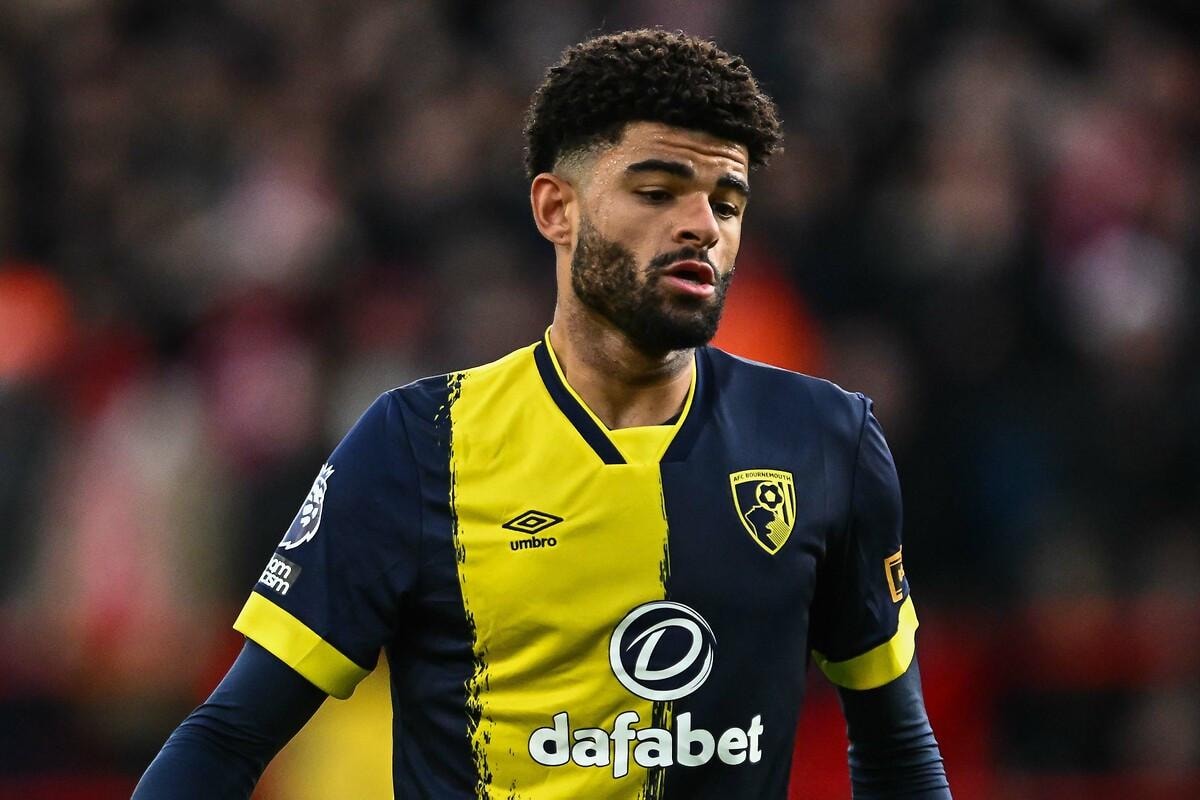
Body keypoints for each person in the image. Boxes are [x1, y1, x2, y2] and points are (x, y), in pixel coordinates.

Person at [133, 29, 951, 799]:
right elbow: (229, 735)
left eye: (727, 202)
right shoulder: (419, 445)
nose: (702, 226)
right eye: (658, 191)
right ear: (557, 209)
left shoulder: (825, 440)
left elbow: (897, 748)